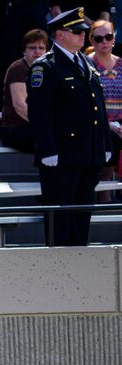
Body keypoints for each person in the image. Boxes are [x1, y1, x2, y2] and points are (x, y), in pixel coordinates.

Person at [27, 7, 113, 246]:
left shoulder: (85, 62)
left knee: (82, 214)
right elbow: (39, 113)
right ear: (60, 34)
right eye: (76, 31)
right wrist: (48, 149)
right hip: (62, 155)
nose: (82, 35)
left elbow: (99, 107)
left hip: (89, 153)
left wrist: (104, 143)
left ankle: (78, 259)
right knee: (60, 217)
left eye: (83, 31)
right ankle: (59, 267)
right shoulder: (45, 67)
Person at [0, 0, 52, 117]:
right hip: (6, 14)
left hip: (36, 11)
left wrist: (55, 4)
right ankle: (1, 125)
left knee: (41, 66)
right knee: (6, 69)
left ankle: (40, 117)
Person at [87, 19, 122, 201]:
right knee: (111, 139)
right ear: (91, 40)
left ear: (114, 38)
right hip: (96, 122)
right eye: (98, 38)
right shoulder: (86, 66)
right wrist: (107, 124)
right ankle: (105, 197)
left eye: (108, 37)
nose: (104, 42)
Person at [0, 29, 50, 154]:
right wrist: (45, 125)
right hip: (16, 128)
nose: (37, 52)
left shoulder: (48, 69)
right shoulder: (18, 69)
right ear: (24, 50)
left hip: (36, 125)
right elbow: (20, 105)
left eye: (41, 48)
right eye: (32, 48)